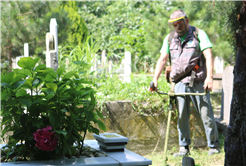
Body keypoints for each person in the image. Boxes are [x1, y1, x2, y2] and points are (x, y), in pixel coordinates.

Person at [150, 9, 220, 156]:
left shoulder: (199, 34)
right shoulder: (169, 38)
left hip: (198, 80)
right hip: (180, 82)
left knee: (206, 114)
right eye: (174, 25)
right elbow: (162, 59)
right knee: (182, 115)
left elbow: (208, 55)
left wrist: (210, 77)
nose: (177, 27)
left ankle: (213, 146)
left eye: (180, 24)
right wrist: (154, 79)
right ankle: (184, 147)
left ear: (186, 21)